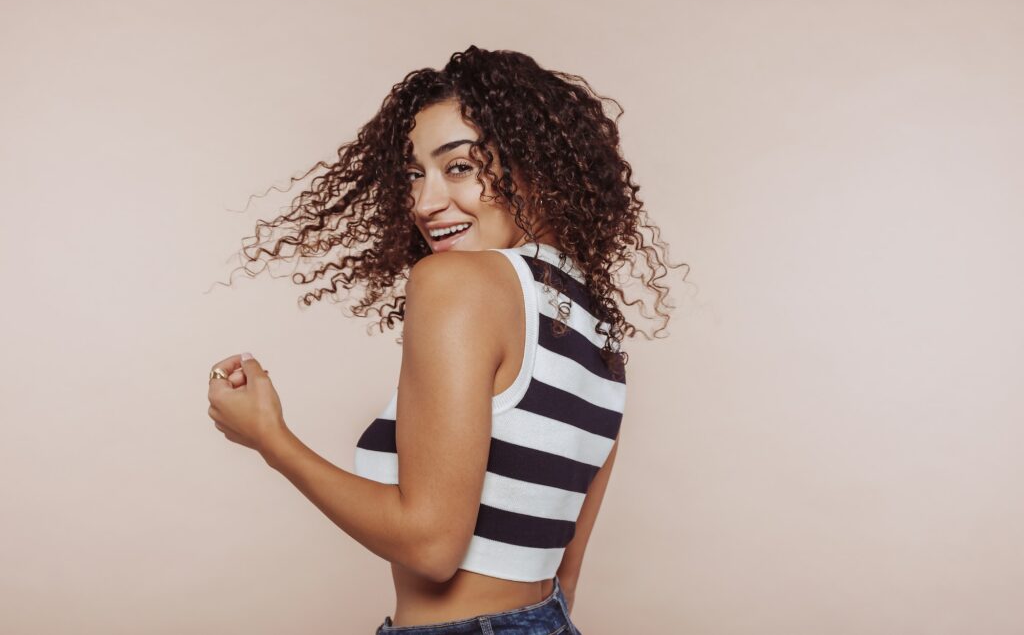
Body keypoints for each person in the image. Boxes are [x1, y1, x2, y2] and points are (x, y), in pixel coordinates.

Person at [206, 46, 685, 634]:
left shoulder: (457, 283)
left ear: (535, 165)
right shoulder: (595, 328)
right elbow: (566, 574)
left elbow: (432, 548)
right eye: (413, 174)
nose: (426, 203)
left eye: (458, 167)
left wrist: (271, 440)